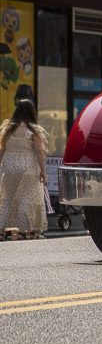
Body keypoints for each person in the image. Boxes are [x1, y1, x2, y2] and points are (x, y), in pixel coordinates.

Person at [0, 99, 48, 240]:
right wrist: (43, 171)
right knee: (25, 199)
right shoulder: (34, 130)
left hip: (8, 168)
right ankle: (21, 231)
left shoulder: (7, 129)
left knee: (6, 198)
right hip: (28, 169)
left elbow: (2, 149)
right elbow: (39, 151)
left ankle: (1, 231)